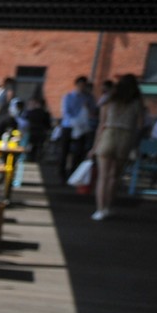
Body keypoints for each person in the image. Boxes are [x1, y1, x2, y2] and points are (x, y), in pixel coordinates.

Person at [92, 73, 147, 221]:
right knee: (114, 177)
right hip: (126, 137)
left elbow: (101, 124)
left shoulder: (109, 99)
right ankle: (108, 207)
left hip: (108, 134)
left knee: (102, 176)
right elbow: (141, 125)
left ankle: (100, 209)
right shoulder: (137, 101)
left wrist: (94, 146)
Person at [59, 76, 97, 180]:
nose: (82, 87)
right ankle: (62, 173)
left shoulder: (89, 98)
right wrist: (74, 121)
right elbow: (66, 112)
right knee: (64, 150)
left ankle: (74, 172)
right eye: (80, 85)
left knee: (79, 151)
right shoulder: (68, 96)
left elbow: (93, 111)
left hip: (82, 128)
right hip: (68, 126)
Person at [22, 97, 53, 163]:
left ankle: (29, 158)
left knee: (31, 146)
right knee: (39, 147)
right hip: (41, 133)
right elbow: (48, 125)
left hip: (31, 132)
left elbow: (24, 122)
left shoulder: (30, 112)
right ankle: (37, 158)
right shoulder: (45, 113)